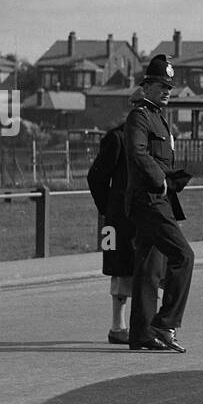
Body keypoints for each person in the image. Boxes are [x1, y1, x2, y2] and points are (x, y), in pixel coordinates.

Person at [125, 55, 194, 353]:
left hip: (157, 197)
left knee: (148, 267)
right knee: (183, 256)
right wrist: (161, 180)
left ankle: (141, 333)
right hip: (149, 199)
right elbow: (138, 153)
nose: (167, 91)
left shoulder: (159, 117)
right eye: (161, 85)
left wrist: (171, 179)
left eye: (169, 86)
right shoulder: (140, 116)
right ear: (147, 86)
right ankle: (165, 324)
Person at [87, 121, 138, 344]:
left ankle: (142, 325)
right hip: (117, 221)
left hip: (144, 215)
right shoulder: (116, 138)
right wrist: (108, 208)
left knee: (147, 268)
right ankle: (118, 326)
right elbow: (96, 177)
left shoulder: (156, 135)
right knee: (119, 268)